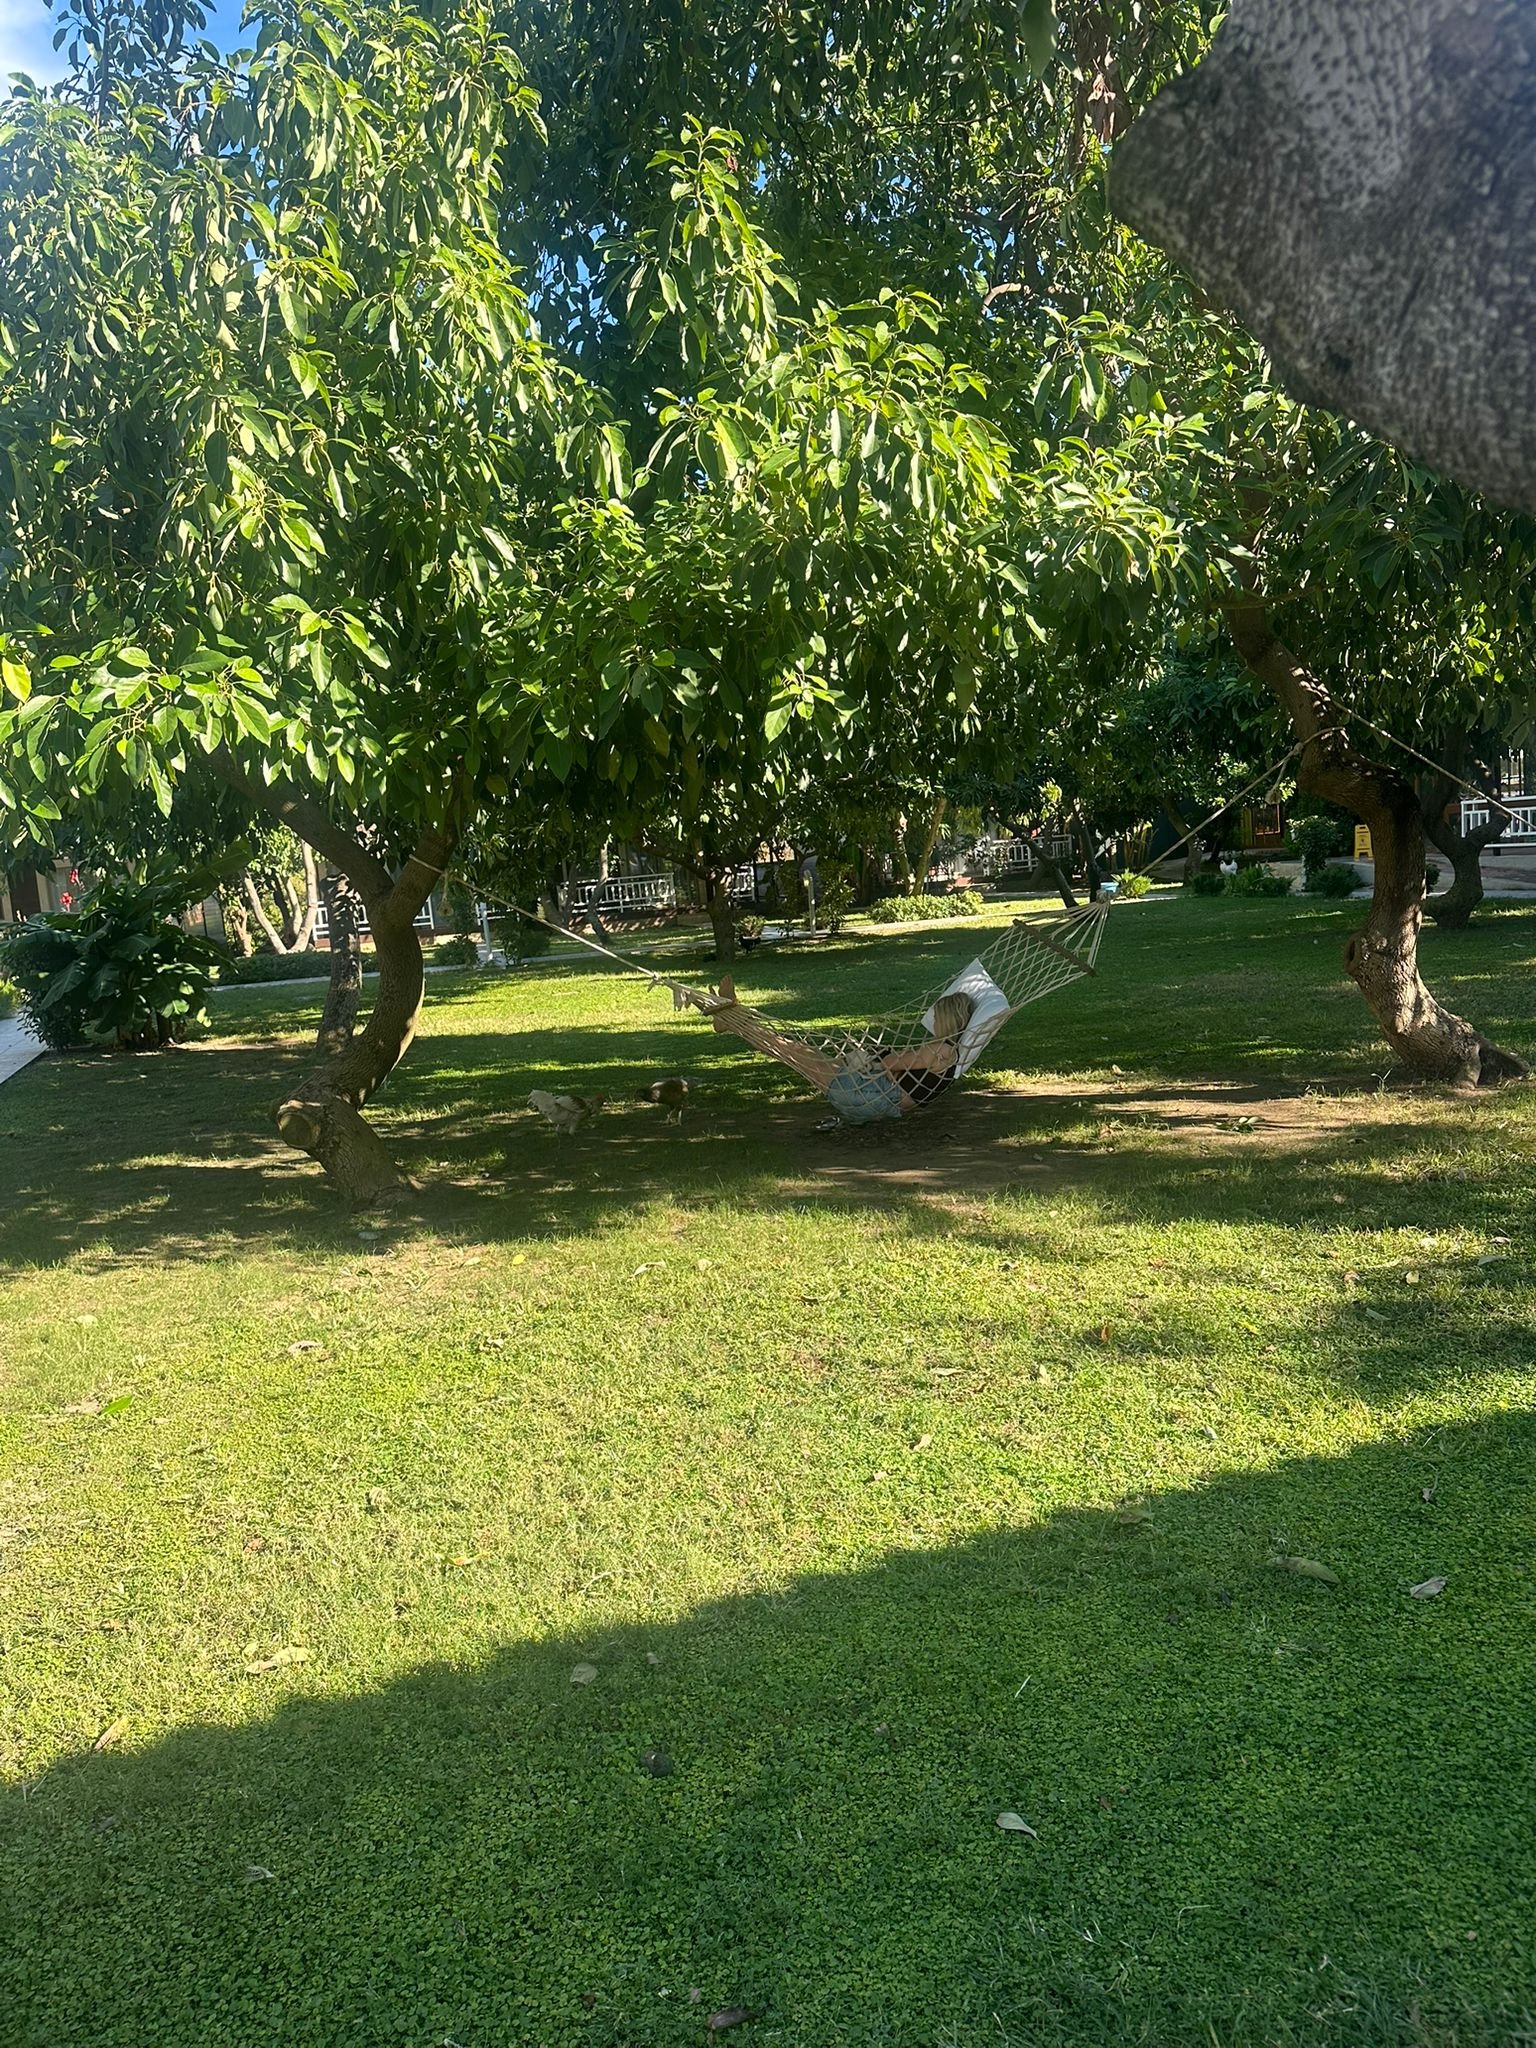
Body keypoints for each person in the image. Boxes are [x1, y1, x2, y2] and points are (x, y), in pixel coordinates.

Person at [705, 979, 975, 1123]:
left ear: (947, 1020)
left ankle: (733, 1017)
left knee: (791, 1050)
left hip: (871, 1094)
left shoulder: (940, 1049)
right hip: (874, 1094)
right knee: (794, 1051)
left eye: (938, 1016)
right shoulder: (949, 1051)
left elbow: (892, 1063)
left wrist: (872, 1057)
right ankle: (732, 1019)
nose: (935, 1021)